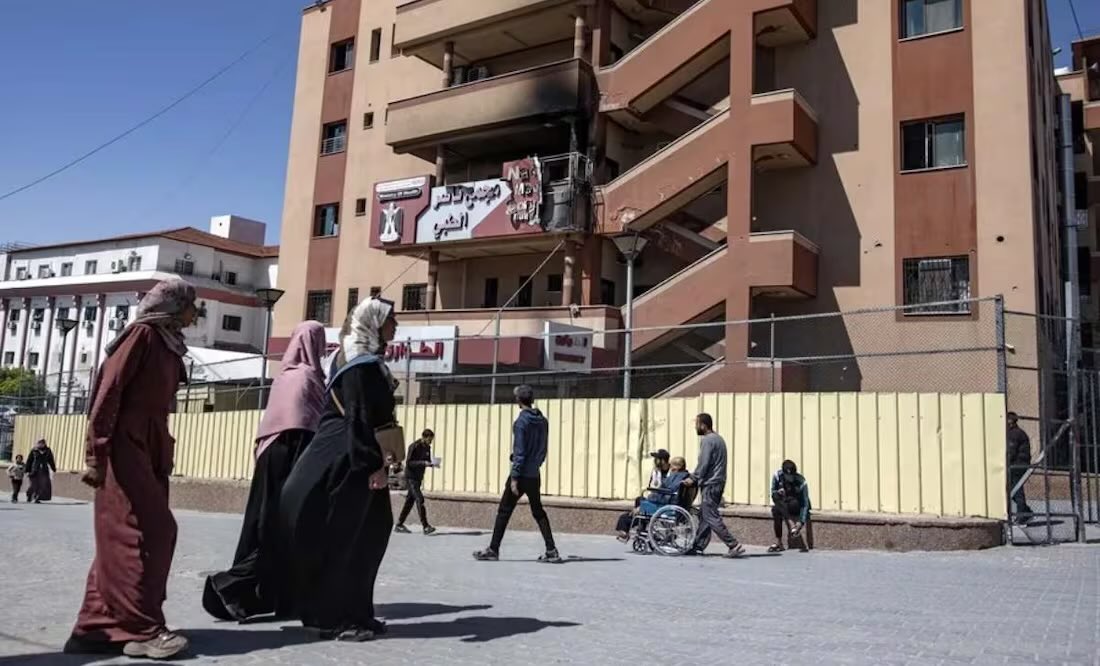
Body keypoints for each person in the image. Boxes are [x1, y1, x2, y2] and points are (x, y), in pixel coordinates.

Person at [64, 278, 197, 660]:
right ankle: (142, 627)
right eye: (191, 305)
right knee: (145, 533)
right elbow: (108, 392)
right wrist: (96, 453)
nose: (194, 313)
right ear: (173, 305)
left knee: (121, 537)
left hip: (150, 444)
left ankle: (95, 626)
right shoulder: (141, 335)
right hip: (125, 444)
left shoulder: (168, 342)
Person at [280, 298, 400, 642]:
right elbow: (358, 419)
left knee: (371, 532)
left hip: (359, 458)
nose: (395, 326)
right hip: (348, 463)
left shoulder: (368, 361)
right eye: (391, 320)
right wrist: (371, 467)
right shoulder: (358, 364)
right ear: (373, 323)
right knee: (346, 539)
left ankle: (358, 611)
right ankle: (334, 618)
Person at [203, 321, 328, 622]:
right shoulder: (309, 378)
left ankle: (269, 598)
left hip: (269, 457)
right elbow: (304, 427)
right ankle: (231, 586)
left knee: (262, 525)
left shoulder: (282, 377)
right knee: (284, 529)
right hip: (291, 456)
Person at [473, 385, 561, 563]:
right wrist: (535, 464)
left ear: (518, 401)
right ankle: (551, 549)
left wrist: (514, 477)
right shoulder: (543, 421)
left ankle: (493, 549)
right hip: (534, 474)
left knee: (504, 511)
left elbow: (519, 452)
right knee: (538, 511)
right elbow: (543, 449)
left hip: (520, 474)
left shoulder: (521, 422)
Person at [683, 413, 744, 558]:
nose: (695, 427)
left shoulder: (707, 441)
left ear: (703, 425)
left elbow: (704, 462)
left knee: (710, 515)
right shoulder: (719, 439)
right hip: (718, 482)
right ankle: (698, 546)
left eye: (697, 424)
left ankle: (733, 544)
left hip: (711, 483)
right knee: (705, 514)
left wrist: (694, 478)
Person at [616, 457, 691, 540]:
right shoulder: (684, 476)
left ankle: (626, 529)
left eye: (672, 465)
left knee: (634, 511)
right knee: (639, 500)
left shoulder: (676, 477)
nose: (670, 467)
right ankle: (641, 527)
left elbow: (667, 494)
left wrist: (648, 500)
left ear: (678, 467)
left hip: (665, 504)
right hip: (671, 502)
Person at [614, 449, 674, 537]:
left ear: (663, 461)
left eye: (656, 459)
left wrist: (642, 506)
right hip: (658, 498)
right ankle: (640, 525)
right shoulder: (656, 471)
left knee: (639, 509)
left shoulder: (671, 473)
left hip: (662, 501)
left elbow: (659, 490)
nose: (654, 462)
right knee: (639, 500)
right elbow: (654, 487)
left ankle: (628, 526)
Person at [394, 429, 437, 535]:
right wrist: (423, 463)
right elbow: (409, 463)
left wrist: (432, 463)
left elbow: (427, 460)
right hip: (411, 477)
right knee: (419, 499)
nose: (430, 442)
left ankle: (399, 524)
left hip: (418, 478)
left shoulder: (427, 448)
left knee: (409, 501)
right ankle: (426, 526)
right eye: (429, 439)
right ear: (424, 437)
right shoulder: (414, 446)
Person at [768, 460, 811, 553]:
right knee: (775, 509)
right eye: (787, 476)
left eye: (791, 476)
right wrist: (779, 492)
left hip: (795, 504)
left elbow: (805, 502)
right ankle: (779, 541)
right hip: (783, 503)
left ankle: (791, 524)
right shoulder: (777, 476)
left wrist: (801, 521)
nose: (790, 478)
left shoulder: (801, 481)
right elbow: (772, 492)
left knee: (781, 506)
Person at [1006, 411, 1034, 524]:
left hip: (1017, 466)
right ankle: (1026, 512)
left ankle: (1023, 516)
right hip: (1018, 465)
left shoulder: (1015, 433)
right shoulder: (1013, 432)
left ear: (1010, 421)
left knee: (1016, 491)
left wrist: (1005, 462)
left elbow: (1011, 452)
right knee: (1013, 491)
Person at [25, 438, 56, 503]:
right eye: (39, 443)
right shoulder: (34, 450)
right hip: (34, 470)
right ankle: (29, 495)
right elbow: (29, 460)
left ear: (44, 444)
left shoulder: (48, 450)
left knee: (42, 485)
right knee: (33, 485)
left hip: (44, 470)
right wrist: (27, 470)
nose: (40, 444)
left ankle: (37, 498)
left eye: (42, 443)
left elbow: (51, 460)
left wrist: (53, 468)